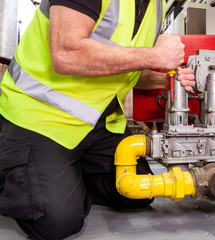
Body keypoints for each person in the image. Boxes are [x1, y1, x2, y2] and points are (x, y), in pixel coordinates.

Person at [0, 0, 195, 239]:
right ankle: (18, 172)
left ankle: (60, 174)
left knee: (138, 191)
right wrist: (154, 55)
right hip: (41, 116)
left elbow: (129, 67)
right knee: (56, 221)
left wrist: (167, 81)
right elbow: (66, 53)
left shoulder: (155, 5)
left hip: (97, 123)